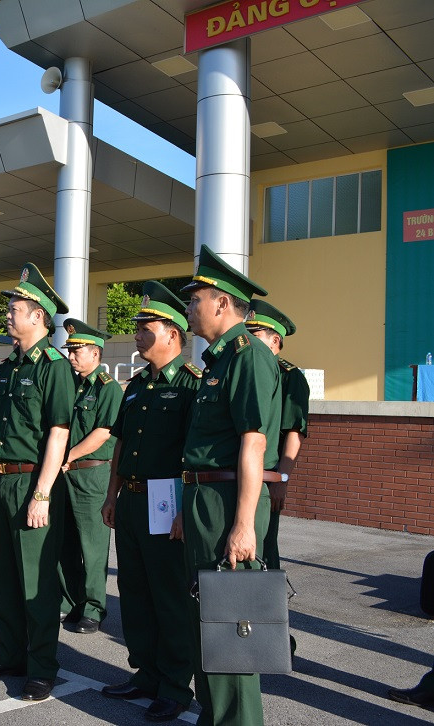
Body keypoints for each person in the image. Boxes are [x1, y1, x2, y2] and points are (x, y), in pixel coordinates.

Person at [181, 245, 281, 726]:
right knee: (207, 619)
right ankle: (214, 714)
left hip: (228, 501)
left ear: (221, 302)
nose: (189, 308)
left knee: (232, 620)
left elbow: (254, 443)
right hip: (204, 497)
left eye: (194, 298)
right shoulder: (217, 362)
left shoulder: (249, 357)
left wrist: (244, 525)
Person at [0, 263, 72, 702]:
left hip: (33, 484)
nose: (7, 315)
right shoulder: (6, 369)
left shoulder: (53, 367)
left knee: (37, 583)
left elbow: (58, 434)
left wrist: (43, 493)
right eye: (8, 309)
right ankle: (10, 655)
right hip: (3, 480)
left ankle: (42, 666)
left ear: (38, 317)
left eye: (15, 309)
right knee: (5, 579)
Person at [100, 281, 200, 722]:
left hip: (168, 502)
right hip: (132, 500)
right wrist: (112, 493)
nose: (138, 334)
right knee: (135, 591)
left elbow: (194, 452)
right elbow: (120, 444)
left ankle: (176, 685)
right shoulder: (137, 384)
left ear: (173, 333)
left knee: (170, 596)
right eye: (138, 327)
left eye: (147, 326)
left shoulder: (192, 385)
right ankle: (145, 673)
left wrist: (183, 508)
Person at [58, 318, 121, 635]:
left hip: (92, 474)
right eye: (69, 350)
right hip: (66, 475)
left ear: (95, 353)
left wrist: (65, 457)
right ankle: (72, 602)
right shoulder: (72, 387)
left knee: (92, 547)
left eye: (76, 350)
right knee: (66, 543)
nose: (71, 356)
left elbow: (102, 433)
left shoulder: (107, 389)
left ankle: (95, 608)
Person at [245, 299, 309, 572]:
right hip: (239, 468)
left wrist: (282, 479)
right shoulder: (243, 368)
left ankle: (264, 609)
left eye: (255, 334)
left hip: (268, 474)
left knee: (263, 545)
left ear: (275, 341)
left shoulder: (289, 377)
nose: (248, 340)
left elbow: (294, 431)